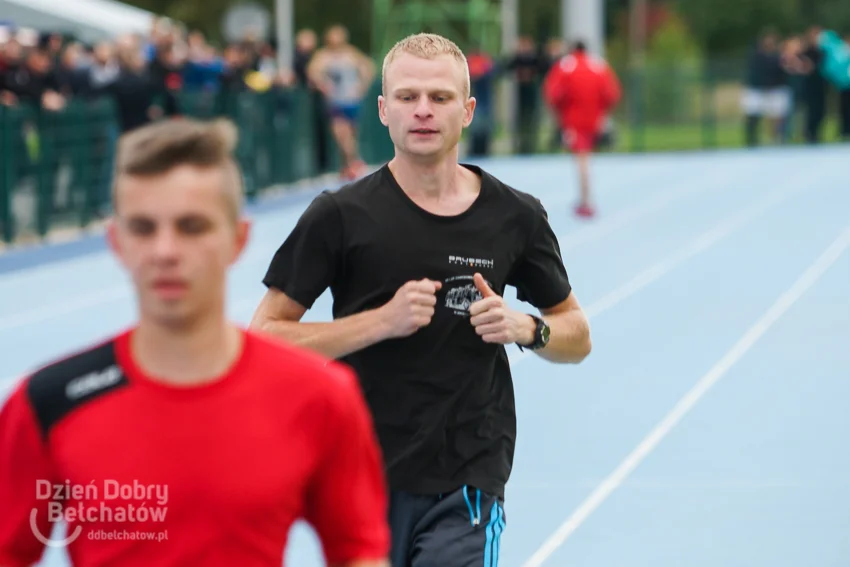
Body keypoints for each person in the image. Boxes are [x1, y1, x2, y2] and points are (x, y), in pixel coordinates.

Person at [251, 33, 592, 567]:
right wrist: (378, 323)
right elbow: (264, 338)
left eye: (440, 97)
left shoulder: (515, 216)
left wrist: (526, 328)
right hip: (361, 476)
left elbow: (576, 333)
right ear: (384, 111)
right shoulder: (338, 216)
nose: (423, 111)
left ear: (468, 110)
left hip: (467, 475)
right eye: (408, 97)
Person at [0, 118, 390, 567]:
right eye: (144, 228)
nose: (166, 250)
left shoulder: (320, 399)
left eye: (191, 227)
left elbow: (358, 552)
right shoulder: (49, 403)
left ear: (238, 239)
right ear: (117, 241)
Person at [542, 40, 621, 218]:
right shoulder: (598, 64)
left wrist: (560, 114)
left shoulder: (566, 65)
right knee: (586, 157)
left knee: (582, 159)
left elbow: (552, 93)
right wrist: (602, 113)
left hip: (574, 120)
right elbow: (612, 94)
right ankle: (585, 199)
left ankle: (586, 201)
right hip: (595, 119)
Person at [307, 24, 375, 180]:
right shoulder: (323, 56)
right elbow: (312, 72)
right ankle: (353, 162)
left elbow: (368, 67)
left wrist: (362, 86)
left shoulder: (351, 53)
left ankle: (349, 164)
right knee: (340, 134)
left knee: (350, 135)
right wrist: (323, 85)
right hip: (335, 101)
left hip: (351, 100)